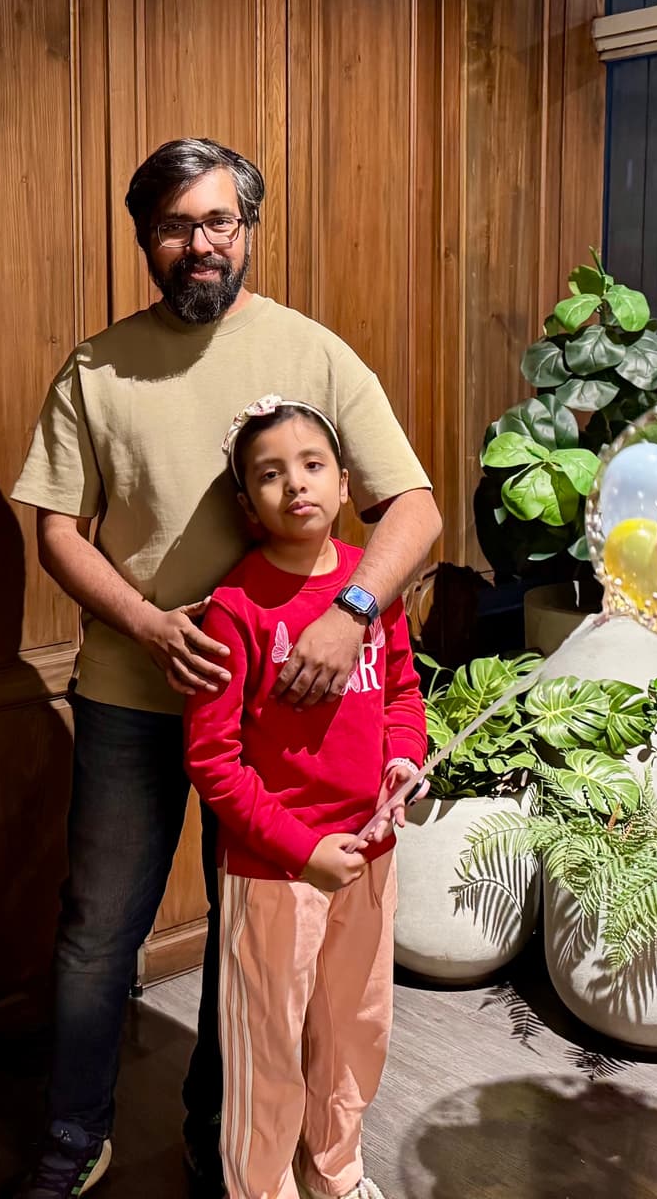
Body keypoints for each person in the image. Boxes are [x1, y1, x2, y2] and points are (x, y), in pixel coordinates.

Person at [9, 139, 441, 1198]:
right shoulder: (97, 369)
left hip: (285, 713)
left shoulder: (315, 353)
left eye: (218, 222)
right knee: (97, 930)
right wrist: (148, 625)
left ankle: (223, 1141)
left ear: (246, 228)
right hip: (131, 696)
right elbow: (58, 531)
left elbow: (414, 509)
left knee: (248, 938)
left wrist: (350, 612)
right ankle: (73, 1141)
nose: (199, 244)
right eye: (174, 226)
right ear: (144, 239)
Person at [185, 398, 426, 1199]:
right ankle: (262, 1187)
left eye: (313, 465)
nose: (296, 484)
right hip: (274, 871)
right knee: (267, 1048)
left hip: (370, 855)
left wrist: (402, 759)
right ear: (246, 504)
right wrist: (302, 850)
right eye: (271, 473)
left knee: (356, 1030)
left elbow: (401, 695)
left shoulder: (373, 588)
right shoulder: (235, 609)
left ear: (345, 482)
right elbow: (213, 761)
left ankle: (335, 1173)